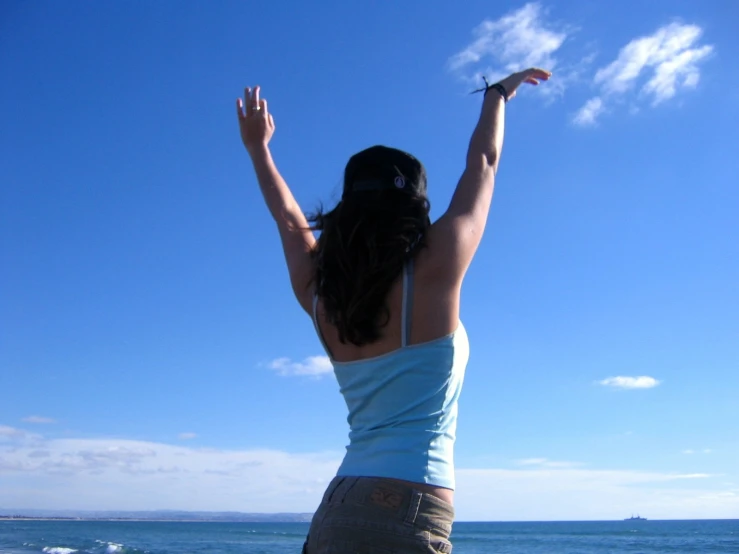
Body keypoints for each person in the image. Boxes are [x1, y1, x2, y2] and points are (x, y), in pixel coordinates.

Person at [237, 67, 551, 553]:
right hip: (408, 511)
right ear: (415, 205)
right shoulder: (436, 264)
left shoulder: (319, 293)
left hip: (336, 508)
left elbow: (288, 219)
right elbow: (484, 162)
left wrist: (258, 149)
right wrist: (497, 96)